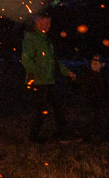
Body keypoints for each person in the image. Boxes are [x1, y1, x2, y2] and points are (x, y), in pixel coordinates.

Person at [21, 11, 75, 142]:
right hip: (38, 82)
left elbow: (54, 60)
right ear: (38, 23)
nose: (49, 25)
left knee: (59, 107)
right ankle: (34, 137)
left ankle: (63, 134)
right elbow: (27, 61)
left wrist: (67, 72)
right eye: (47, 22)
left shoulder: (46, 39)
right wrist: (41, 72)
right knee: (40, 110)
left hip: (50, 80)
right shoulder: (31, 38)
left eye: (49, 22)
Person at [76, 52, 109, 143]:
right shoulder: (88, 76)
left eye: (96, 62)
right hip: (91, 101)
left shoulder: (104, 77)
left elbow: (108, 89)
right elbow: (81, 84)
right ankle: (88, 137)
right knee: (90, 119)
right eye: (92, 62)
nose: (94, 64)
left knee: (102, 119)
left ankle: (103, 136)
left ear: (102, 64)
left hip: (102, 102)